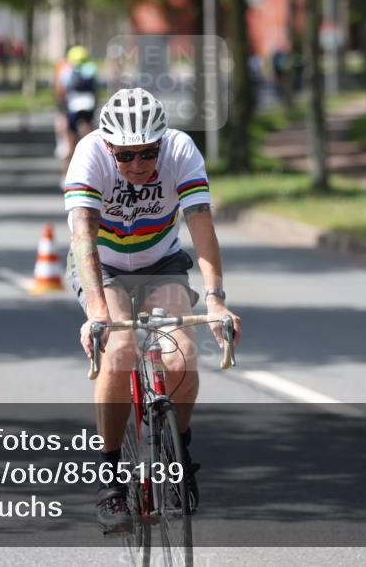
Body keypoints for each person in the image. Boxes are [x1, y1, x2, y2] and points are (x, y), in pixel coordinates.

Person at [63, 87, 242, 533]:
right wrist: (98, 315)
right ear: (108, 147)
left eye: (148, 153)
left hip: (161, 261)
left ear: (163, 142)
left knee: (182, 352)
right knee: (121, 351)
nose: (138, 165)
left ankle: (178, 454)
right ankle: (110, 478)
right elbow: (82, 237)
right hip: (101, 264)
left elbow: (202, 226)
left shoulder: (182, 150)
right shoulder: (88, 155)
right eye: (126, 156)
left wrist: (216, 297)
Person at [59, 45, 99, 181]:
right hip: (88, 105)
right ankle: (93, 176)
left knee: (70, 142)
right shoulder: (91, 69)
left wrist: (62, 109)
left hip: (72, 107)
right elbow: (95, 90)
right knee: (90, 141)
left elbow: (62, 91)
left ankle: (65, 176)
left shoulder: (66, 70)